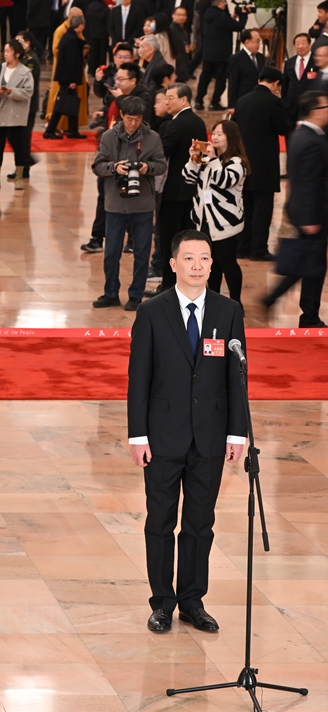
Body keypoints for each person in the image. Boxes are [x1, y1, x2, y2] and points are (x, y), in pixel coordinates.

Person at [128, 228, 246, 635]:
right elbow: (138, 379)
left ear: (213, 265)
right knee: (160, 521)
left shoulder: (228, 311)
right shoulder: (152, 312)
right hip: (161, 437)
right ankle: (162, 602)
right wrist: (137, 435)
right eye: (190, 258)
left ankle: (192, 600)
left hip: (210, 438)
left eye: (205, 259)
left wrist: (237, 433)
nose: (198, 266)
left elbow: (237, 377)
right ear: (174, 263)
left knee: (200, 522)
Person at [92, 94, 167, 310]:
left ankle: (136, 295)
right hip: (115, 203)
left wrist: (147, 168)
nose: (133, 123)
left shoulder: (152, 137)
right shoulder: (108, 136)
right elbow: (98, 166)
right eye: (129, 118)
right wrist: (115, 167)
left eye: (137, 119)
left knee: (142, 252)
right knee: (111, 252)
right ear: (121, 115)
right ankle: (110, 293)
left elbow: (161, 165)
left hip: (142, 203)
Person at [262, 91, 328, 327]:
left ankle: (307, 314)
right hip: (312, 213)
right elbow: (309, 182)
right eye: (325, 107)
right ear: (314, 112)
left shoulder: (302, 135)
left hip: (308, 211)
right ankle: (302, 313)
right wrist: (310, 217)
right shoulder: (310, 140)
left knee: (311, 264)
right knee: (309, 264)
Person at [182, 119, 247, 302]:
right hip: (204, 222)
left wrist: (212, 160)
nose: (215, 137)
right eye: (214, 133)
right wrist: (194, 158)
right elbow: (188, 178)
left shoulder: (236, 163)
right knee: (211, 266)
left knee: (228, 263)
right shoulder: (209, 160)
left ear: (230, 137)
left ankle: (236, 303)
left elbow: (223, 180)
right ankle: (215, 302)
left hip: (225, 222)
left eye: (220, 134)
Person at [233, 67, 289, 262]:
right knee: (263, 208)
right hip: (265, 165)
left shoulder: (242, 101)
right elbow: (283, 128)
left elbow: (234, 128)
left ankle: (242, 247)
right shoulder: (273, 102)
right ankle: (258, 249)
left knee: (245, 205)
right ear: (276, 83)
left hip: (243, 162)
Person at [153, 82, 205, 292]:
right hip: (192, 190)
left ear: (184, 100)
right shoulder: (199, 122)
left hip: (173, 192)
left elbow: (161, 152)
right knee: (188, 239)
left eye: (170, 97)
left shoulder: (175, 124)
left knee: (170, 241)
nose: (166, 101)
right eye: (165, 97)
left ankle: (168, 284)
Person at [0, 39, 34, 190]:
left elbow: (28, 91)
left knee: (19, 146)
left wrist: (11, 91)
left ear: (17, 54)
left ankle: (19, 176)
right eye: (4, 51)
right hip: (0, 112)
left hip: (17, 113)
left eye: (9, 51)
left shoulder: (25, 72)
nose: (5, 54)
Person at [193, 0, 242, 111]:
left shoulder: (208, 15)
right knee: (221, 79)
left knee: (205, 78)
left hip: (208, 53)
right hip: (221, 54)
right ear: (220, 4)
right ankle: (214, 102)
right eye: (224, 3)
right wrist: (243, 15)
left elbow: (225, 23)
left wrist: (232, 17)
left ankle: (198, 101)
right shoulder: (222, 17)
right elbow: (239, 26)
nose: (225, 4)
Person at [42, 14, 84, 139]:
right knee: (62, 105)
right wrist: (73, 80)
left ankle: (73, 130)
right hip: (67, 78)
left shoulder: (69, 36)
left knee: (71, 103)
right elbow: (71, 61)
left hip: (65, 77)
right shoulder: (71, 39)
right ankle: (50, 130)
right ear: (80, 26)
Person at [225, 27, 262, 112]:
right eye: (257, 41)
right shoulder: (236, 58)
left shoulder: (260, 57)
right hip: (243, 100)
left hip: (258, 99)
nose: (259, 44)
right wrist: (231, 105)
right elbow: (233, 83)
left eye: (259, 41)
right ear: (247, 42)